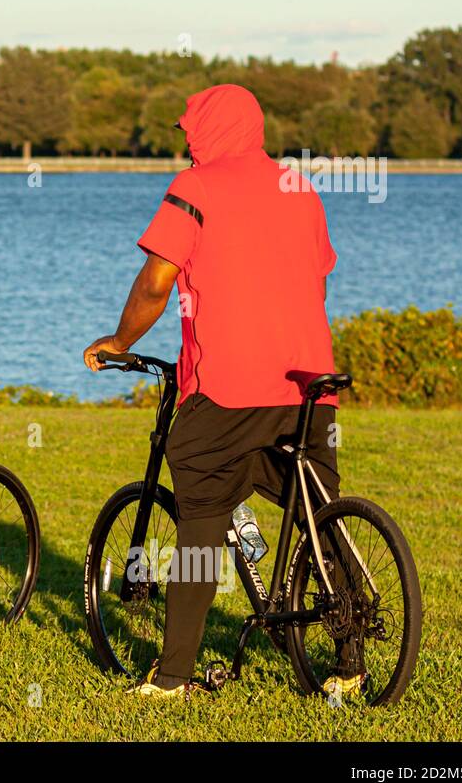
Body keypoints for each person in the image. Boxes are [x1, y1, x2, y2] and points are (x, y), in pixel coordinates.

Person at [83, 84, 358, 698]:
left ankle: (174, 675)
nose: (184, 139)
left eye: (189, 128)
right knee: (315, 516)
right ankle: (350, 660)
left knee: (200, 521)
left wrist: (121, 340)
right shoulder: (300, 187)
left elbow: (157, 281)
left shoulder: (196, 188)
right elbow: (316, 269)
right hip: (310, 384)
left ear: (211, 128)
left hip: (230, 387)